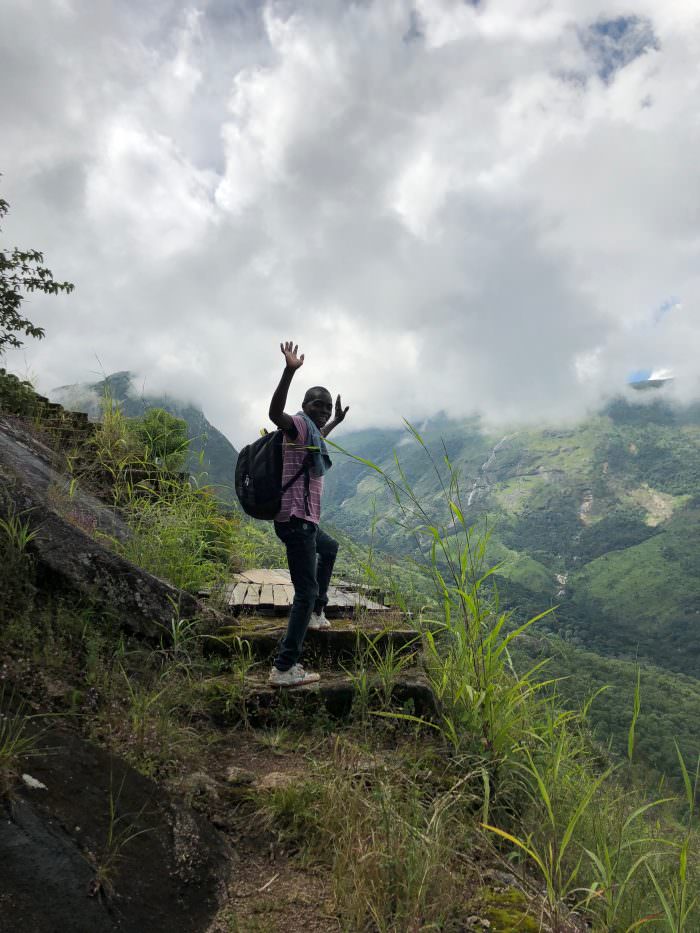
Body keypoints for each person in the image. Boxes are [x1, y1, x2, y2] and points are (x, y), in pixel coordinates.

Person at [267, 340, 349, 687]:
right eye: (319, 405)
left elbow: (318, 437)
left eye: (328, 407)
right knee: (305, 591)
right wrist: (289, 371)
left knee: (329, 549)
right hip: (296, 520)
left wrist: (336, 422)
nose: (325, 410)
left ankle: (317, 611)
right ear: (305, 405)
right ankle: (284, 667)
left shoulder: (311, 432)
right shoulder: (297, 424)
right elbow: (275, 414)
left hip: (305, 521)